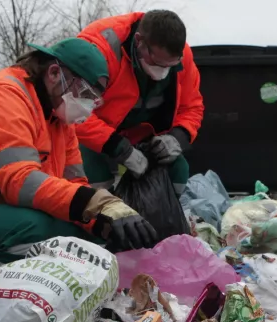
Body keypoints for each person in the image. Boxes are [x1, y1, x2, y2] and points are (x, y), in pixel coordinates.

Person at [0, 38, 156, 290]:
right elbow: (20, 182)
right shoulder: (1, 95)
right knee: (37, 230)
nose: (88, 107)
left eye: (94, 100)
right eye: (86, 93)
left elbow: (75, 186)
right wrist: (100, 204)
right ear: (55, 73)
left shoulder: (60, 122)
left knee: (78, 238)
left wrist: (102, 224)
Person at [76, 10, 204, 196]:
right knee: (92, 173)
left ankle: (167, 216)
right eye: (157, 62)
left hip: (148, 137)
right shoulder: (99, 48)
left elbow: (191, 107)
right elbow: (77, 113)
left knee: (178, 170)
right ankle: (98, 218)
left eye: (169, 66)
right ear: (138, 41)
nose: (162, 72)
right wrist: (120, 148)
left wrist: (177, 138)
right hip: (98, 137)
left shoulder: (183, 55)